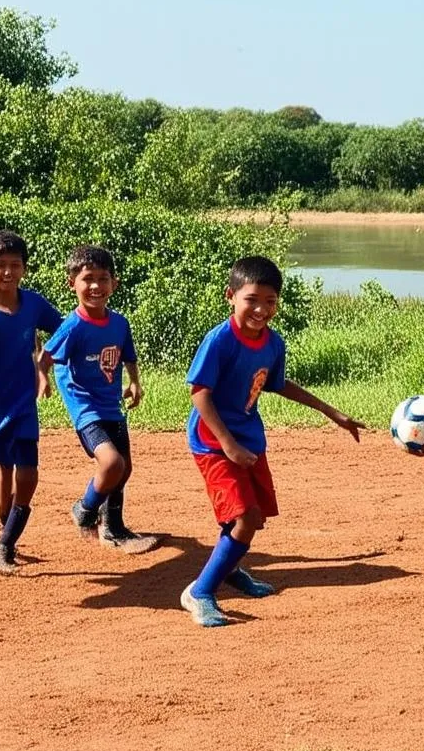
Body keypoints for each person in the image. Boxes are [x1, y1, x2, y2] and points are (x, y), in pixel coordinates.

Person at [180, 255, 365, 626]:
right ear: (230, 296)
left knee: (251, 517)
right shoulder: (220, 340)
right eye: (252, 299)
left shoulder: (272, 343)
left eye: (270, 301)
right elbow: (199, 392)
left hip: (248, 439)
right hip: (214, 443)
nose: (261, 309)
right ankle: (200, 591)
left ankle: (230, 569)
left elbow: (278, 384)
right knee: (244, 518)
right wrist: (228, 444)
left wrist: (332, 412)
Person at [39, 245, 155, 553]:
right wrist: (43, 380)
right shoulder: (73, 325)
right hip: (85, 406)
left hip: (111, 404)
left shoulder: (119, 323)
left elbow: (128, 355)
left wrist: (134, 382)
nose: (95, 286)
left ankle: (114, 527)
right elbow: (45, 357)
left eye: (103, 279)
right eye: (87, 278)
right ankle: (85, 509)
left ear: (113, 284)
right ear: (72, 284)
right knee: (111, 463)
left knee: (124, 468)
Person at [0, 231, 63, 574]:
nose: (7, 272)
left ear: (24, 268)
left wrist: (44, 365)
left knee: (29, 472)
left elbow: (62, 329)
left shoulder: (33, 303)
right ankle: (8, 531)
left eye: (14, 265)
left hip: (23, 401)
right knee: (5, 470)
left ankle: (5, 543)